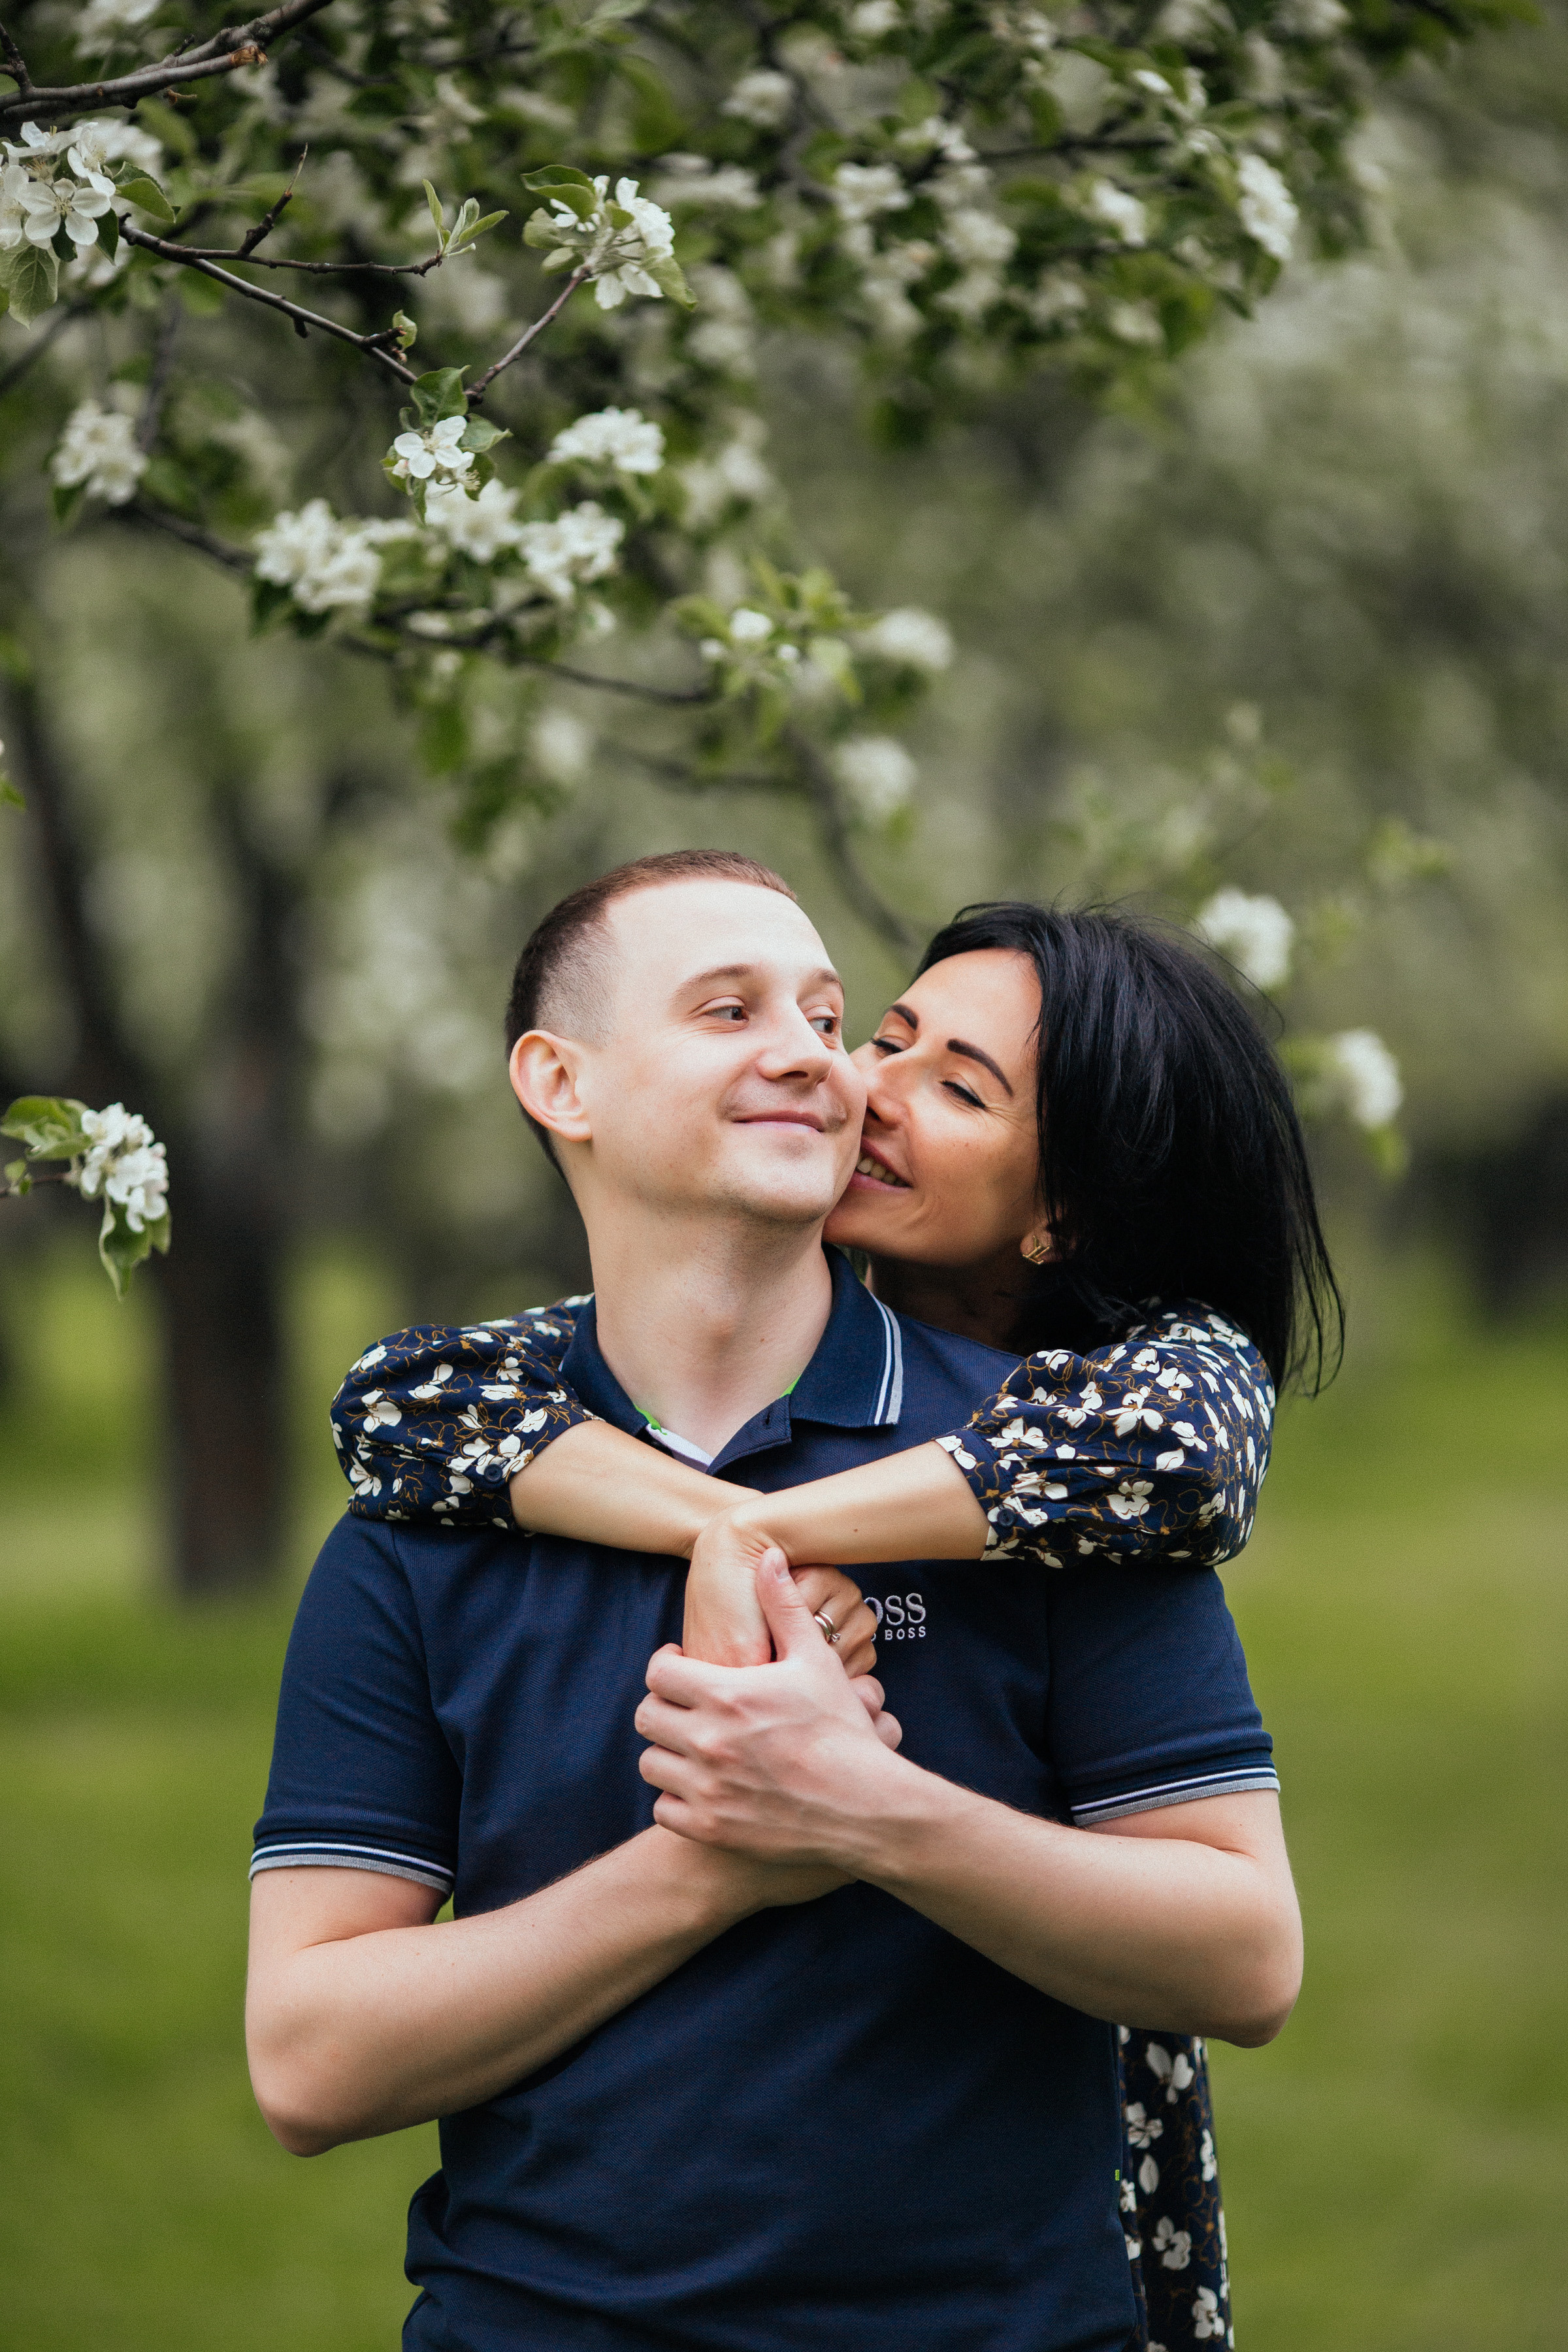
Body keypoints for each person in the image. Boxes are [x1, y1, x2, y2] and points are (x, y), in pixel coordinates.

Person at [248, 851, 1305, 2352]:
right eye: (739, 1011)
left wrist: (861, 1805)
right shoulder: (446, 1484)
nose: (832, 1065)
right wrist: (719, 1861)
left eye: (825, 1016)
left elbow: (1247, 1956)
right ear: (561, 1083)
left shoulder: (1073, 1476)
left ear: (1053, 1210)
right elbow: (306, 2068)